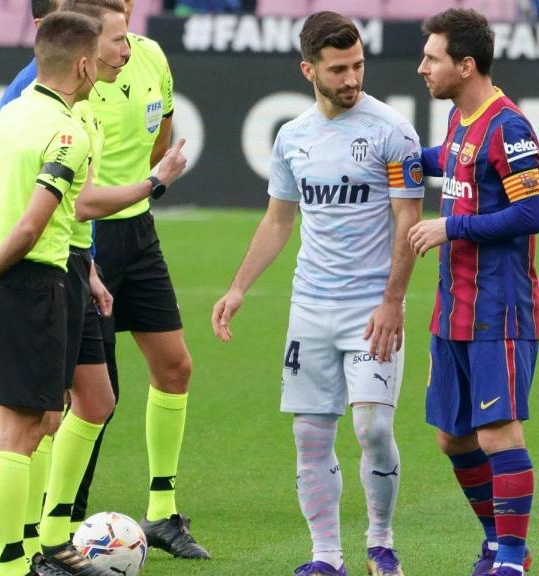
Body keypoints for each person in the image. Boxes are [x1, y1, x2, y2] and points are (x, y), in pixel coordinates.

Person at [211, 11, 424, 576]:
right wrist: (238, 288)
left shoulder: (393, 132)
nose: (352, 78)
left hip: (372, 309)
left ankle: (381, 540)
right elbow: (279, 220)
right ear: (309, 69)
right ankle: (326, 556)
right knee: (310, 436)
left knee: (372, 427)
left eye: (357, 65)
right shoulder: (293, 137)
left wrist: (393, 300)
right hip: (310, 308)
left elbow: (409, 222)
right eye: (338, 69)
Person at [0, 0, 209, 559]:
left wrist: (146, 184)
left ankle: (161, 511)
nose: (125, 39)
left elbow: (162, 129)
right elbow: (11, 164)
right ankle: (52, 527)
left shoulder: (150, 57)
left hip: (136, 232)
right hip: (81, 239)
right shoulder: (43, 82)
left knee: (174, 365)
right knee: (87, 397)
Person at [0, 11, 146, 576]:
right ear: (83, 64)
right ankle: (4, 562)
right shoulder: (69, 132)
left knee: (59, 414)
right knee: (21, 429)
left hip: (33, 276)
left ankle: (31, 544)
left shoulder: (8, 117)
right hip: (32, 282)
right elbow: (31, 226)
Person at [409, 8, 539, 576]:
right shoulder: (462, 120)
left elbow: (529, 213)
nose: (422, 68)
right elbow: (456, 162)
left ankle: (512, 559)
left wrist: (451, 227)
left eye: (432, 59)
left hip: (497, 308)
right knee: (453, 437)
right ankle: (496, 542)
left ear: (466, 66)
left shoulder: (508, 126)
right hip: (453, 308)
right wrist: (411, 160)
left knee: (495, 432)